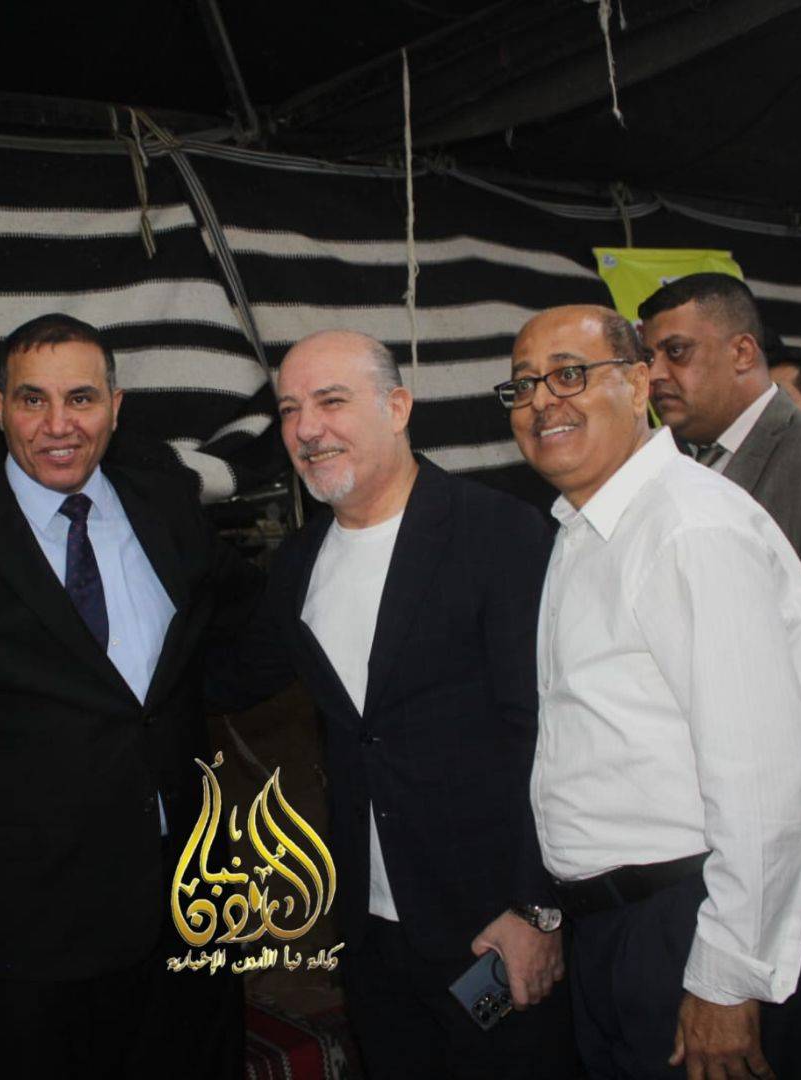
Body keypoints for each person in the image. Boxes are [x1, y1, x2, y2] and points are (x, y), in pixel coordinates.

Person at [0, 314, 255, 1078]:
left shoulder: (167, 509)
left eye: (81, 399)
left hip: (194, 908)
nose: (59, 425)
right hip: (36, 934)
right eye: (33, 400)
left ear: (115, 408)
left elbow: (235, 635)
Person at [209, 330, 576, 1080]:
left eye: (331, 401)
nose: (307, 429)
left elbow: (551, 736)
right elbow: (229, 679)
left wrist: (538, 911)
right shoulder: (300, 561)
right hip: (371, 938)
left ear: (398, 407)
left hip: (493, 929)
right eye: (290, 409)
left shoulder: (499, 533)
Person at [502, 303, 801, 1079]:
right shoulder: (587, 529)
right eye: (523, 385)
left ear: (638, 386)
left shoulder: (688, 528)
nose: (542, 401)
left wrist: (728, 975)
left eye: (570, 374)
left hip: (692, 925)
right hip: (615, 932)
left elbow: (763, 779)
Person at [639, 273, 801, 562]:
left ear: (742, 353)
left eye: (676, 351)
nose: (654, 375)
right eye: (649, 358)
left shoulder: (799, 452)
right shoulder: (650, 461)